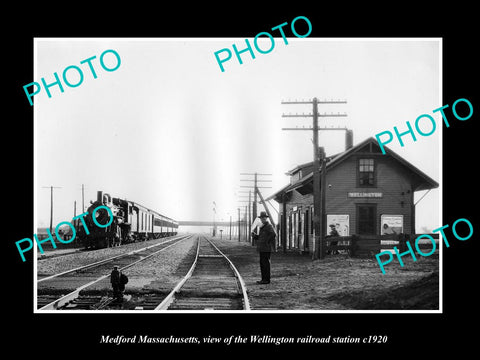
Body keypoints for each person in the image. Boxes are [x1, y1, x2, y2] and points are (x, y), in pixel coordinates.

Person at [254, 211, 276, 285]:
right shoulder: (262, 227)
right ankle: (263, 279)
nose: (262, 219)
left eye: (264, 218)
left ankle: (266, 280)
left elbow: (273, 234)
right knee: (262, 264)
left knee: (265, 264)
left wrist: (267, 241)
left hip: (266, 248)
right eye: (261, 218)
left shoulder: (268, 226)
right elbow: (262, 237)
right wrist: (256, 236)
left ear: (266, 218)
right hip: (262, 248)